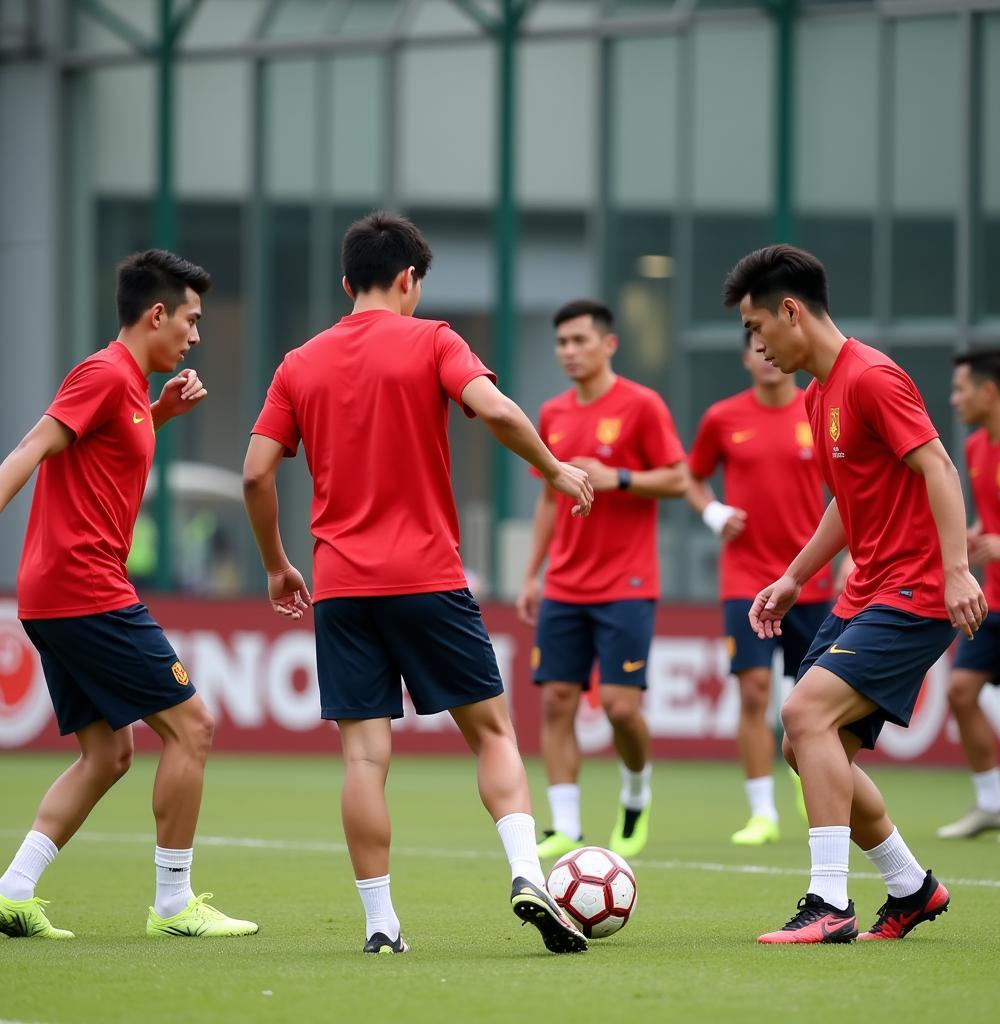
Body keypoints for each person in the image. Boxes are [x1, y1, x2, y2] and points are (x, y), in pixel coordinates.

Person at [242, 211, 593, 956]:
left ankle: (381, 924)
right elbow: (493, 407)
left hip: (339, 586)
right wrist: (554, 468)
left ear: (346, 283)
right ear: (409, 279)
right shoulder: (434, 338)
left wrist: (276, 561)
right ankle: (528, 874)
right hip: (427, 576)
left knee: (365, 758)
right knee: (493, 734)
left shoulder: (299, 362)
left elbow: (255, 473)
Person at [724, 244, 986, 944]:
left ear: (790, 312)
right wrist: (793, 576)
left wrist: (957, 569)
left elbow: (938, 467)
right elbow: (848, 499)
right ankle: (911, 886)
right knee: (809, 741)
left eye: (758, 328)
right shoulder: (819, 392)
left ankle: (828, 902)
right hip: (866, 589)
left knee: (805, 713)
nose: (757, 345)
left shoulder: (872, 377)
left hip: (916, 587)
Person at [0, 250, 257, 939]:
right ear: (155, 315)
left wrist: (160, 413)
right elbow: (32, 446)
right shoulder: (103, 374)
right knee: (193, 727)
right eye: (192, 320)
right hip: (85, 586)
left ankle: (12, 889)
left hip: (56, 592)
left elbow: (104, 448)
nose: (196, 335)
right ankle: (173, 904)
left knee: (109, 753)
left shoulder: (130, 392)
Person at [516, 299, 688, 862]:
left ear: (608, 344)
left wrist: (617, 476)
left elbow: (679, 479)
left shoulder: (642, 405)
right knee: (558, 700)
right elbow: (548, 498)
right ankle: (565, 824)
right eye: (561, 342)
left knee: (618, 706)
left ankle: (636, 793)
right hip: (565, 584)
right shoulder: (552, 414)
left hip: (627, 583)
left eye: (579, 341)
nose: (569, 351)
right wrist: (531, 574)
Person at [686, 330, 832, 845]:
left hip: (810, 582)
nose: (766, 357)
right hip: (745, 581)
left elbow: (849, 490)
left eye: (771, 346)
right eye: (755, 347)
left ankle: (809, 783)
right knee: (753, 693)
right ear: (746, 357)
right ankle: (761, 811)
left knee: (810, 698)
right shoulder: (722, 418)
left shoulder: (817, 409)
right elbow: (692, 476)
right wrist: (713, 512)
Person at [940, 349, 1000, 843]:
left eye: (961, 389)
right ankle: (992, 803)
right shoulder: (973, 449)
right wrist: (974, 536)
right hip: (995, 595)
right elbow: (996, 517)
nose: (954, 399)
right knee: (959, 691)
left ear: (988, 391)